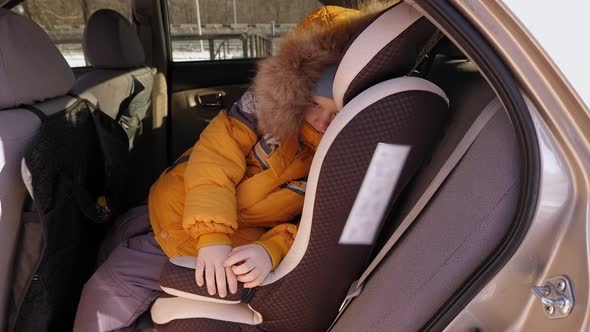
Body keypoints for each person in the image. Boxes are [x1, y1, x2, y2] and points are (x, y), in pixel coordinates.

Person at [74, 5, 368, 332]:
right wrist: (212, 234)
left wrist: (270, 249)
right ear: (295, 91)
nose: (323, 121)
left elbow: (317, 227)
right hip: (184, 217)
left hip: (226, 249)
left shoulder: (341, 153)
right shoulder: (255, 118)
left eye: (338, 110)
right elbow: (212, 167)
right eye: (314, 104)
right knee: (107, 273)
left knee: (109, 286)